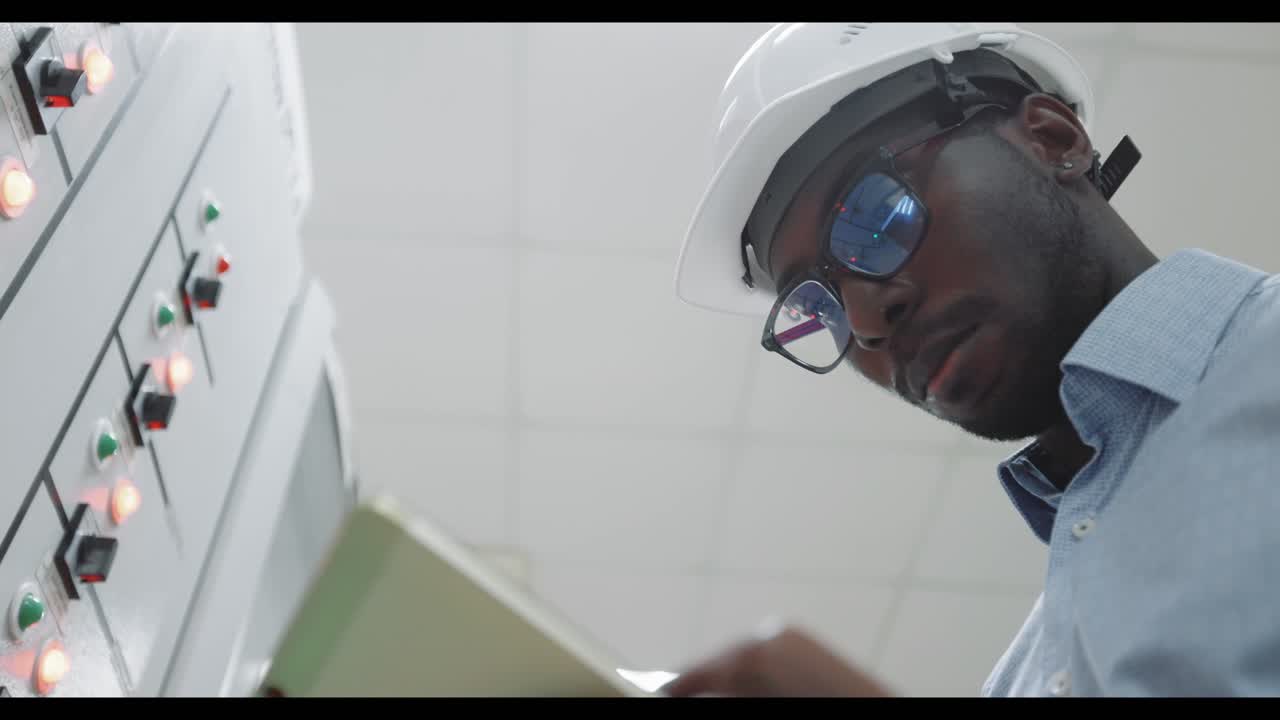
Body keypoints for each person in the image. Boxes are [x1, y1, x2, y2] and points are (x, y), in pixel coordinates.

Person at [665, 22, 1280, 697]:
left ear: (1052, 139)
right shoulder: (1024, 678)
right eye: (824, 306)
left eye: (879, 218)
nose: (867, 323)